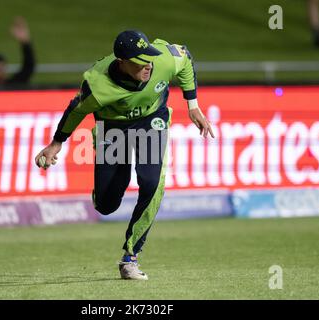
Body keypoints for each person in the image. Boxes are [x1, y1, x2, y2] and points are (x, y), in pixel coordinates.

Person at [35, 30, 214, 280]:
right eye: (141, 62)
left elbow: (185, 59)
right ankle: (104, 191)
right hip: (112, 127)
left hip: (151, 122)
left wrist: (192, 105)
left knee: (152, 183)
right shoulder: (97, 84)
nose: (149, 66)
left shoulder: (162, 60)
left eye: (149, 58)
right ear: (123, 62)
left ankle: (131, 257)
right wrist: (56, 143)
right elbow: (76, 110)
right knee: (107, 205)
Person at [0, 17, 35, 88]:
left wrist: (25, 42)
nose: (3, 72)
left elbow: (28, 67)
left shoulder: (12, 85)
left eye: (3, 68)